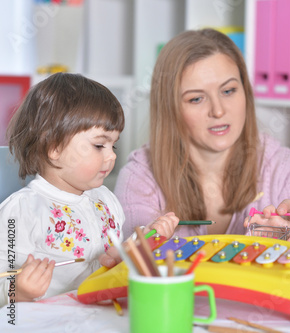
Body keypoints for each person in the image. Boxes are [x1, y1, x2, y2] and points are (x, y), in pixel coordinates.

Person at [114, 28, 290, 247]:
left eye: (228, 91)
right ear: (169, 108)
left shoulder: (284, 168)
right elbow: (136, 268)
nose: (218, 111)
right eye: (196, 98)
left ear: (245, 92)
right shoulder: (139, 176)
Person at [0, 73, 179, 307]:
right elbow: (4, 280)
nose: (112, 155)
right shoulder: (22, 210)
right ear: (54, 146)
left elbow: (114, 258)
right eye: (99, 145)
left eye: (112, 145)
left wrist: (145, 239)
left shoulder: (106, 200)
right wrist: (18, 291)